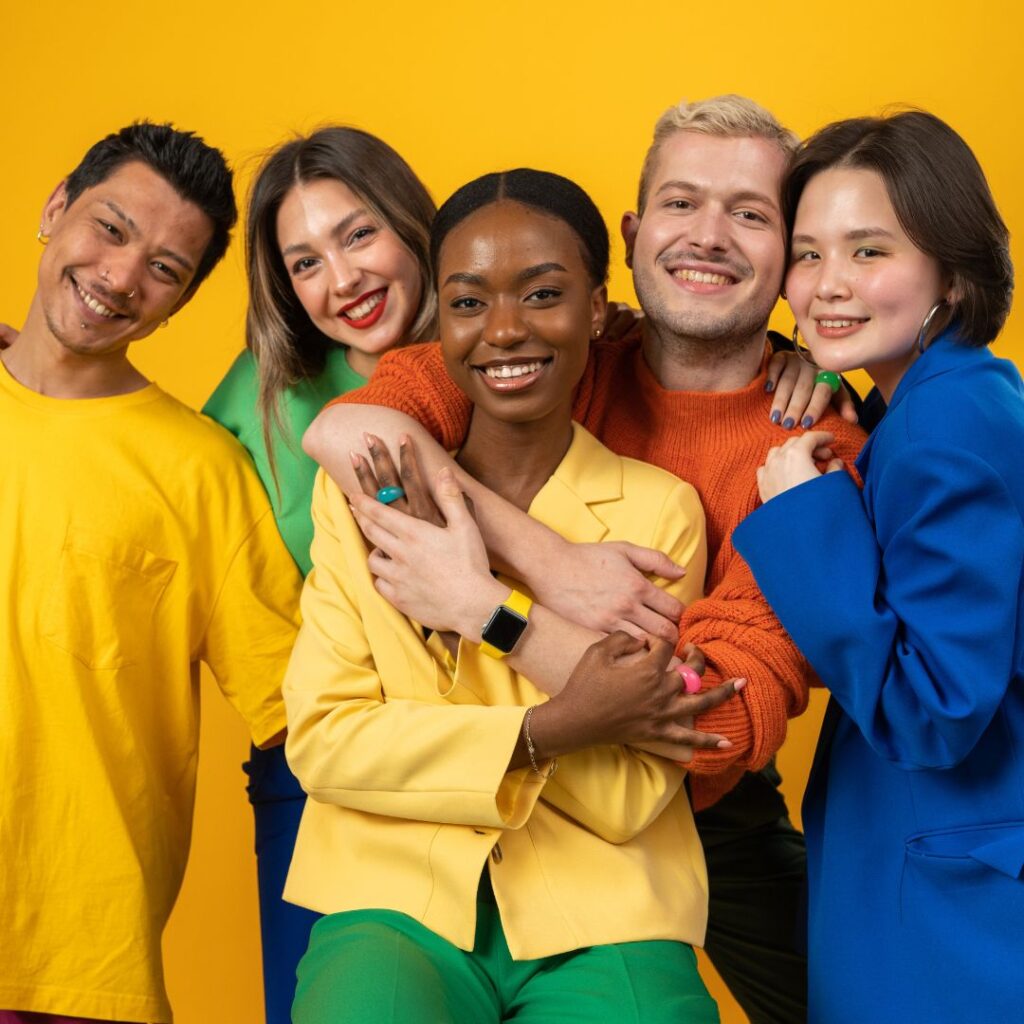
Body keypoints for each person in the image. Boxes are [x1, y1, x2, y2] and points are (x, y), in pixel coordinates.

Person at [304, 95, 866, 1023]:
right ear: (634, 235)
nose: (710, 236)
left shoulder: (814, 442)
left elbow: (714, 733)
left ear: (796, 259)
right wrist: (549, 560)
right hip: (452, 819)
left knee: (844, 1001)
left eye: (752, 214)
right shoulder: (555, 337)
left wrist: (489, 609)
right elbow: (349, 428)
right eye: (683, 204)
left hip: (696, 813)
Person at [0, 123, 302, 1024]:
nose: (122, 277)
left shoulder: (201, 469)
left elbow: (301, 714)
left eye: (167, 269)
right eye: (111, 228)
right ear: (57, 208)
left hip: (72, 957)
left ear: (179, 304)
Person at [733, 111, 1022, 1022]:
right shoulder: (952, 397)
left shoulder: (947, 432)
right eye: (808, 254)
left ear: (953, 267)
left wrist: (805, 515)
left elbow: (932, 710)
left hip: (947, 916)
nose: (827, 287)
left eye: (869, 251)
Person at [202, 126, 437, 1024]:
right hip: (323, 764)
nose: (341, 281)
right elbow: (157, 483)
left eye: (357, 234)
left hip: (512, 749)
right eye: (303, 262)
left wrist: (796, 364)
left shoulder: (513, 349)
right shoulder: (265, 386)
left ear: (412, 225)